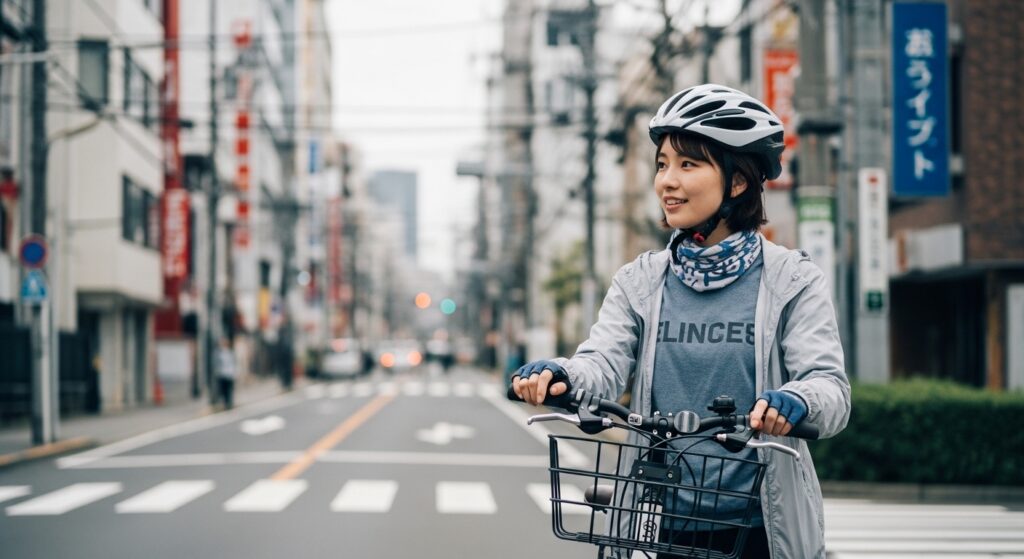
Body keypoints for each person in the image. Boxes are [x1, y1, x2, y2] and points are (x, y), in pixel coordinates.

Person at [509, 84, 850, 559]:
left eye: (688, 165)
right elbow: (603, 363)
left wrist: (796, 400)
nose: (667, 181)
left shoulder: (792, 280)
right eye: (662, 164)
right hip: (662, 523)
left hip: (758, 531)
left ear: (737, 182)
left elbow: (830, 389)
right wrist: (562, 376)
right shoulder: (640, 281)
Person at [215, 337, 237, 410]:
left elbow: (233, 363)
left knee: (229, 389)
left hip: (229, 374)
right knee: (223, 390)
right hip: (222, 374)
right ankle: (225, 403)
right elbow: (217, 364)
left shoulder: (230, 353)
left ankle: (229, 402)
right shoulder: (219, 353)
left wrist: (234, 372)